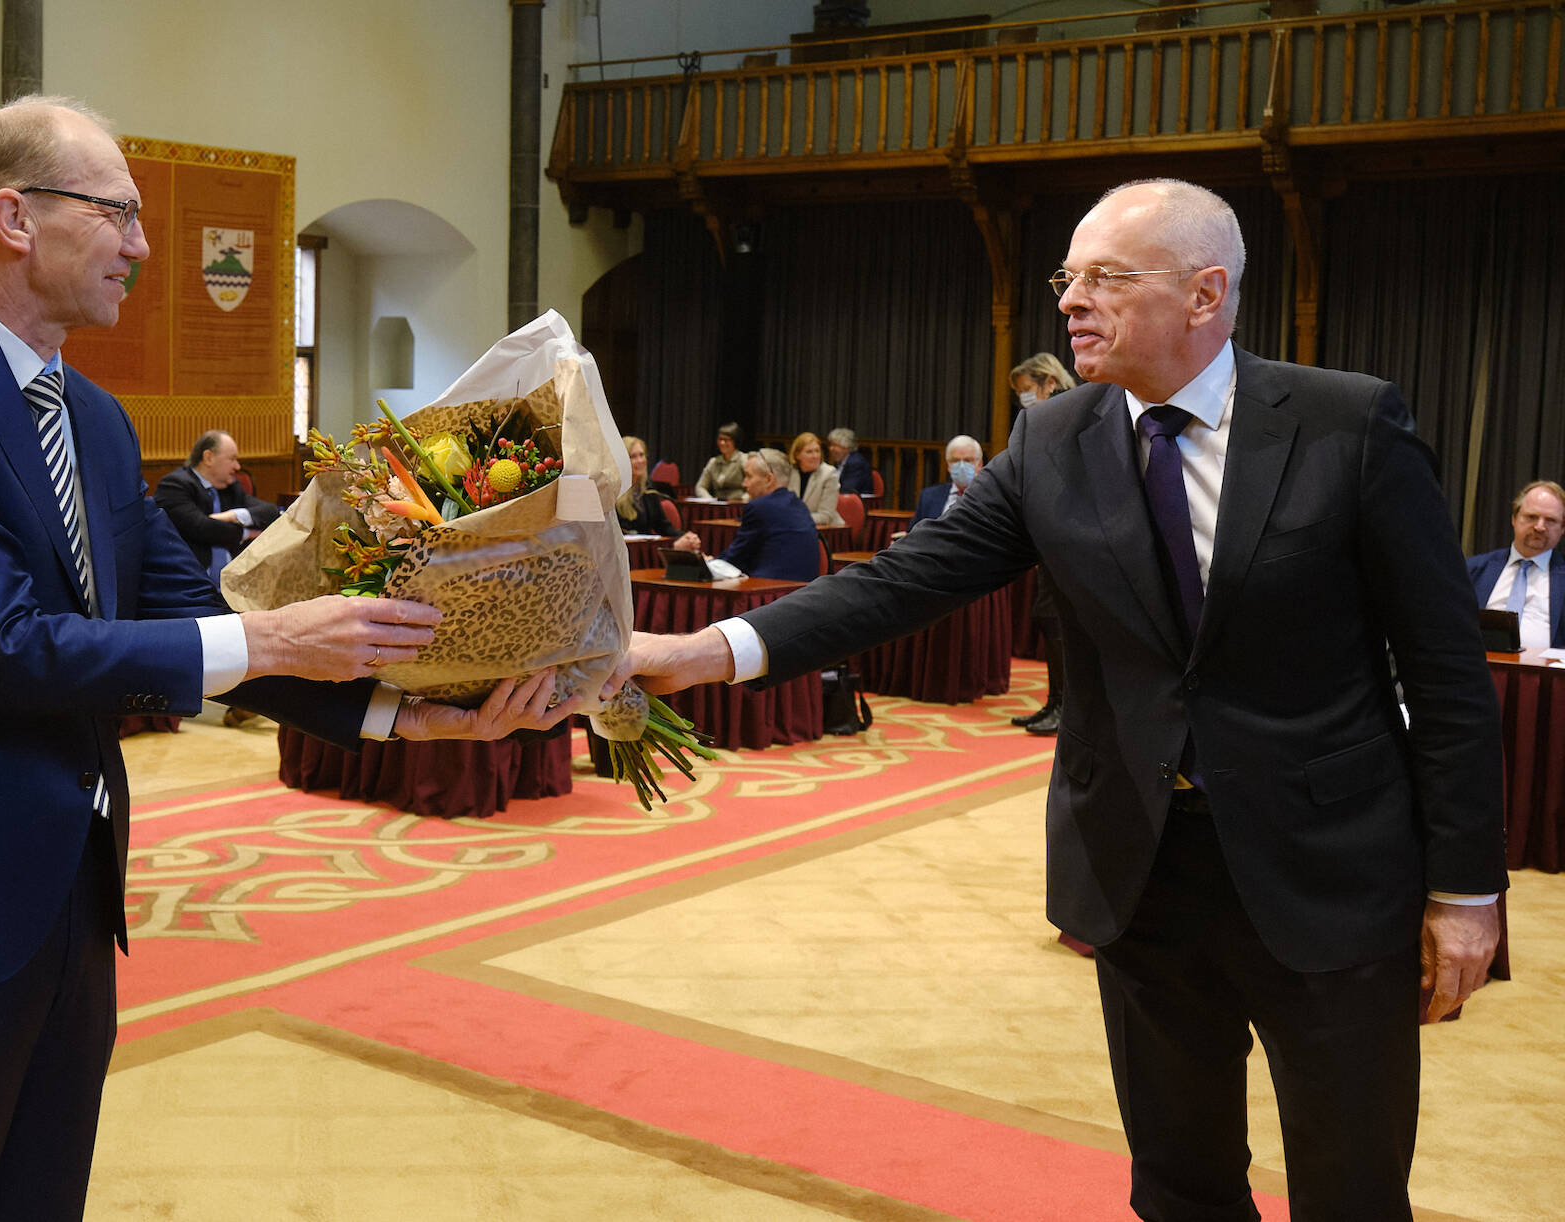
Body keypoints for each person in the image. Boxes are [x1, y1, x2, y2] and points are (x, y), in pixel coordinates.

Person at [624, 179, 1504, 1222]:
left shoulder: (1347, 423)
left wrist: (1465, 890)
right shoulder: (1051, 439)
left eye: (1104, 278)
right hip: (1141, 871)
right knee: (1179, 1187)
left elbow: (1447, 673)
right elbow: (903, 581)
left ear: (1205, 293)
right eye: (1066, 277)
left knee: (1353, 1191)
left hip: (1330, 873)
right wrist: (705, 652)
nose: (1070, 301)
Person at [0, 95, 580, 1222]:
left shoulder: (94, 416)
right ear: (15, 217)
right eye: (117, 212)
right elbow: (5, 646)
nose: (142, 245)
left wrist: (405, 708)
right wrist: (277, 636)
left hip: (70, 899)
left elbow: (196, 608)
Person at [1006, 355, 1078, 737]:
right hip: (1051, 533)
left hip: (1070, 535)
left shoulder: (1070, 414)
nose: (1023, 398)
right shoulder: (1048, 418)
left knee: (1057, 619)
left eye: (1026, 390)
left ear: (1049, 382)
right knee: (1049, 618)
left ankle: (1064, 708)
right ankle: (1055, 702)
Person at [154, 430, 278, 587]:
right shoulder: (174, 486)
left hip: (234, 585)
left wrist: (234, 516)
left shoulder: (230, 487)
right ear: (208, 458)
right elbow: (201, 528)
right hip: (189, 585)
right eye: (232, 459)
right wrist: (246, 533)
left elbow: (270, 511)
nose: (237, 466)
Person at [674, 448, 822, 580]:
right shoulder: (799, 505)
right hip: (801, 591)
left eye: (748, 476)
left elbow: (735, 559)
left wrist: (704, 562)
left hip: (770, 593)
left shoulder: (760, 507)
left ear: (769, 479)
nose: (744, 484)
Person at [1465, 478, 1565, 652]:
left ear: (1562, 528)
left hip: (1545, 668)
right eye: (1532, 517)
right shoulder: (1473, 570)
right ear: (1514, 518)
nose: (1540, 527)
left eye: (1550, 520)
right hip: (1480, 664)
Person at [907, 435, 982, 525]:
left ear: (979, 464)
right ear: (948, 465)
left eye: (967, 460)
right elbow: (914, 531)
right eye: (955, 461)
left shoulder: (988, 498)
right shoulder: (928, 496)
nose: (961, 466)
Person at [615, 434, 673, 536]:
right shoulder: (613, 493)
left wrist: (684, 537)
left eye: (641, 455)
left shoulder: (648, 491)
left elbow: (663, 526)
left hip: (646, 545)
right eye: (633, 456)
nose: (640, 461)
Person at [787, 431, 844, 527]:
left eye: (817, 451)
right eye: (809, 452)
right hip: (794, 526)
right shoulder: (790, 472)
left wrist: (794, 519)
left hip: (826, 529)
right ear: (797, 455)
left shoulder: (829, 474)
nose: (815, 456)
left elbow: (825, 516)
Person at [692, 422, 748, 501]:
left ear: (735, 441)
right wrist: (710, 500)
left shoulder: (743, 459)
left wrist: (743, 500)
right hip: (717, 504)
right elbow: (700, 487)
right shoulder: (713, 462)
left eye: (726, 440)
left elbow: (753, 487)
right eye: (720, 439)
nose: (722, 443)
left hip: (738, 505)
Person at [827, 427, 874, 497]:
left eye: (835, 445)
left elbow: (848, 490)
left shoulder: (856, 463)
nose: (831, 448)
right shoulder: (839, 462)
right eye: (830, 445)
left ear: (847, 446)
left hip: (860, 502)